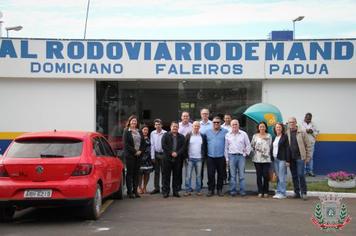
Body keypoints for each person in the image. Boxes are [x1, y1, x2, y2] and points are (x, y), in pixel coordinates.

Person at [286, 117, 312, 200]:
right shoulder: (287, 133)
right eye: (290, 122)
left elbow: (308, 145)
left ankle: (304, 192)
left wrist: (308, 157)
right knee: (294, 176)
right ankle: (296, 192)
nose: (291, 123)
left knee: (301, 175)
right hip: (291, 158)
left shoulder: (302, 132)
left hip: (300, 157)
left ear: (296, 122)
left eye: (293, 122)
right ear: (288, 123)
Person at [225, 119, 251, 197]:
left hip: (241, 157)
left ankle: (242, 191)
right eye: (233, 124)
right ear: (231, 125)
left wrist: (246, 154)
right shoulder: (227, 135)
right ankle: (233, 191)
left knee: (242, 175)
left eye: (236, 124)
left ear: (238, 125)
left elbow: (248, 145)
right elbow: (226, 148)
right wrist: (226, 158)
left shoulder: (244, 134)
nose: (234, 126)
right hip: (231, 156)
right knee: (232, 175)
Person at [205, 116, 229, 197]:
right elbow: (204, 144)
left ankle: (219, 189)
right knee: (210, 174)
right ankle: (210, 190)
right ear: (212, 123)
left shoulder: (225, 132)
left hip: (221, 157)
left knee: (220, 174)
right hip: (210, 157)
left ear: (220, 123)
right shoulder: (207, 132)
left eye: (218, 122)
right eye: (214, 122)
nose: (216, 123)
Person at [161, 121, 186, 198]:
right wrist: (171, 153)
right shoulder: (165, 135)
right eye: (173, 126)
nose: (175, 128)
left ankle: (175, 191)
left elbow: (183, 147)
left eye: (176, 126)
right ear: (170, 127)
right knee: (166, 176)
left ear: (178, 128)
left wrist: (177, 153)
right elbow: (163, 145)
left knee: (176, 176)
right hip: (167, 159)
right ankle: (166, 192)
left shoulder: (181, 137)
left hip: (177, 159)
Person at [123, 115, 144, 199]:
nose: (134, 122)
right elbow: (126, 144)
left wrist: (140, 151)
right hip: (130, 156)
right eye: (132, 121)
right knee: (130, 174)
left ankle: (135, 191)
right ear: (129, 121)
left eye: (135, 121)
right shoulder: (126, 131)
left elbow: (143, 143)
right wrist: (135, 151)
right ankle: (130, 192)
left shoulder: (139, 131)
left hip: (138, 156)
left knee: (136, 173)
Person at [184, 121, 207, 196]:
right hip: (190, 158)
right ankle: (187, 190)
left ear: (199, 127)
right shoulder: (188, 135)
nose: (196, 127)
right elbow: (185, 147)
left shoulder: (202, 136)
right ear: (192, 127)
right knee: (188, 176)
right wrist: (186, 157)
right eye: (195, 126)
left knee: (198, 176)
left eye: (198, 126)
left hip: (199, 159)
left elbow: (205, 147)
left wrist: (203, 156)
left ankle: (198, 190)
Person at [251, 121, 272, 198]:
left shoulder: (269, 136)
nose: (262, 128)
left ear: (265, 127)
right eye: (260, 126)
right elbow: (252, 146)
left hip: (266, 159)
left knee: (265, 175)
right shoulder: (255, 136)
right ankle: (260, 191)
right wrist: (257, 152)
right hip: (257, 159)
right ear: (258, 128)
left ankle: (266, 191)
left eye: (263, 126)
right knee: (259, 175)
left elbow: (270, 146)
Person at [271, 122, 290, 199]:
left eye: (279, 127)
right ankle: (278, 192)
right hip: (275, 159)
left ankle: (283, 193)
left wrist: (287, 161)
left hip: (282, 159)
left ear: (282, 128)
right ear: (275, 129)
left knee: (282, 177)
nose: (278, 128)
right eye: (277, 127)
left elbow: (287, 149)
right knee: (278, 176)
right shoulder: (274, 137)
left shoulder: (285, 137)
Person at [150, 119, 167, 194]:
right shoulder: (152, 133)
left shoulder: (165, 133)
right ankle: (156, 188)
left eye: (159, 124)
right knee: (156, 172)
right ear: (154, 126)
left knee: (164, 172)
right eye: (156, 124)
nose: (157, 126)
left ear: (161, 125)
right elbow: (152, 145)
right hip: (156, 154)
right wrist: (152, 156)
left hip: (163, 154)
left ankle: (164, 188)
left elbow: (167, 145)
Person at [301, 113, 319, 177]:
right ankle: (304, 171)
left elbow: (317, 133)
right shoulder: (301, 124)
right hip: (303, 143)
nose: (308, 120)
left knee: (310, 157)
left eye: (309, 119)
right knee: (303, 157)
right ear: (305, 117)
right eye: (307, 118)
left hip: (311, 143)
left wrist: (312, 132)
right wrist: (305, 131)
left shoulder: (313, 124)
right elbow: (299, 132)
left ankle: (310, 171)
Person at [137, 125, 153, 194]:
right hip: (140, 158)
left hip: (148, 158)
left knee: (147, 173)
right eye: (144, 130)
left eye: (147, 130)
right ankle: (139, 187)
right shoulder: (139, 137)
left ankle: (145, 187)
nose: (146, 131)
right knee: (140, 173)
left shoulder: (149, 138)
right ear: (141, 130)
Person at [199, 108, 212, 188]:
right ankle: (199, 184)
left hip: (210, 148)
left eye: (206, 113)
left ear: (209, 114)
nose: (205, 115)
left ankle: (210, 184)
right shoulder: (197, 124)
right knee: (200, 168)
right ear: (201, 115)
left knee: (210, 168)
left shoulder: (212, 124)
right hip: (200, 149)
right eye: (203, 113)